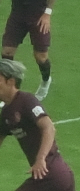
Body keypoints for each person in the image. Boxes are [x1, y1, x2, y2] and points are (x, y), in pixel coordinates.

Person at [0, 59, 76, 190]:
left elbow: (49, 127)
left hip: (51, 175)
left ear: (10, 81)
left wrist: (40, 159)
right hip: (55, 176)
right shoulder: (7, 112)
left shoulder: (26, 100)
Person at [0, 0, 58, 102]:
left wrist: (47, 14)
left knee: (40, 57)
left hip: (37, 15)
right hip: (17, 14)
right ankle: (7, 92)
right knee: (6, 53)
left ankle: (46, 81)